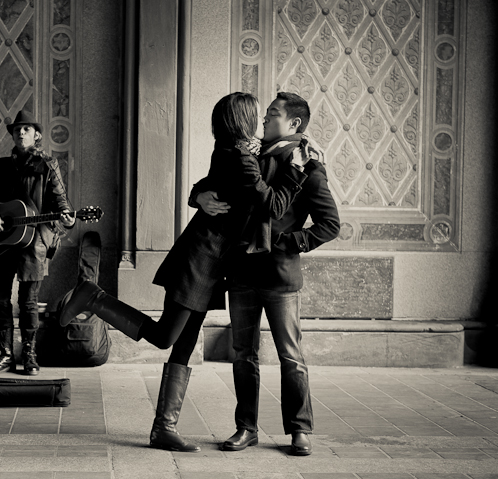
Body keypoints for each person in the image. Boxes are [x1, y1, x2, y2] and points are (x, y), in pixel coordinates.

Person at [60, 92, 309, 452]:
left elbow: (206, 185)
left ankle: (163, 427)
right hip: (200, 259)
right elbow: (271, 203)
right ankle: (94, 297)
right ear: (242, 119)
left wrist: (198, 195)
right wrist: (298, 169)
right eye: (257, 114)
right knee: (166, 337)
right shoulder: (240, 158)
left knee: (185, 343)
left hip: (211, 262)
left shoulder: (233, 151)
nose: (261, 120)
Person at [192, 92, 340, 456]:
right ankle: (246, 428)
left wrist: (289, 243)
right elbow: (213, 180)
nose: (263, 119)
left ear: (294, 124)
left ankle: (299, 430)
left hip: (280, 276)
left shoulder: (308, 167)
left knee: (291, 355)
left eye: (272, 114)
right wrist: (199, 196)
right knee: (243, 353)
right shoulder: (249, 154)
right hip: (241, 272)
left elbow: (330, 224)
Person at [0, 110, 75, 376]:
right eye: (17, 130)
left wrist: (67, 220)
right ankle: (5, 355)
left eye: (26, 129)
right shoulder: (0, 166)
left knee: (28, 301)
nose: (21, 133)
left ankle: (29, 355)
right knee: (0, 299)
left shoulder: (48, 166)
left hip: (32, 242)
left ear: (36, 135)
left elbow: (62, 205)